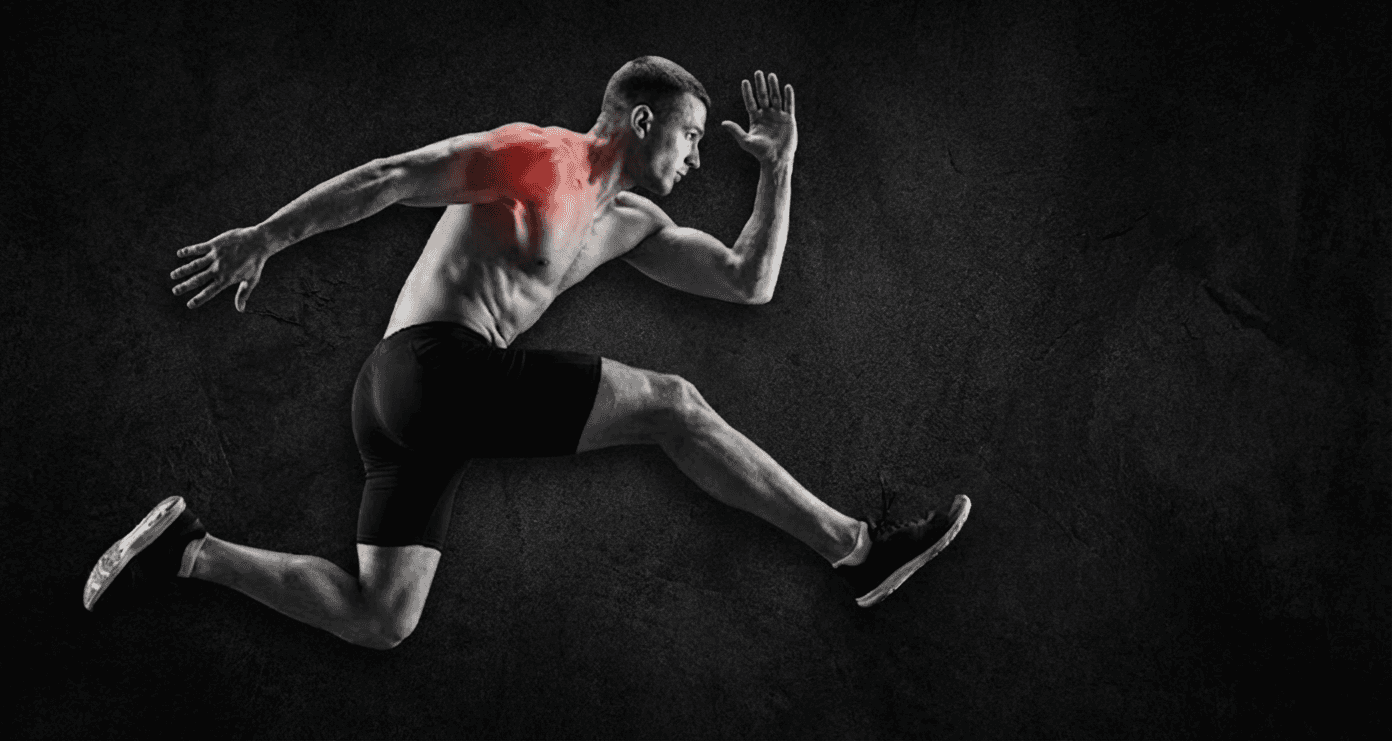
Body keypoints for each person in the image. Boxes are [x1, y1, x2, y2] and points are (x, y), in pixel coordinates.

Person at [83, 57, 970, 648]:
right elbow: (395, 176)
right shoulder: (541, 157)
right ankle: (857, 547)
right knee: (673, 405)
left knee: (383, 616)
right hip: (432, 365)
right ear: (641, 115)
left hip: (406, 407)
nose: (701, 156)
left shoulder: (630, 223)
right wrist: (267, 237)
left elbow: (748, 281)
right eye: (693, 136)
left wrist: (780, 166)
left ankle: (192, 552)